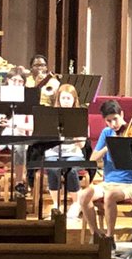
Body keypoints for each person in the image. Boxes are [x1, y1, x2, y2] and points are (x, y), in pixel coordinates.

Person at [76, 100, 132, 239]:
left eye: (115, 119)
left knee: (110, 196)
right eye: (109, 121)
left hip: (130, 185)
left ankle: (109, 237)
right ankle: (95, 234)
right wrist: (109, 146)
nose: (113, 124)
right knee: (83, 195)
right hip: (108, 183)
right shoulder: (107, 133)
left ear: (122, 114)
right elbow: (93, 158)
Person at [45, 84, 86, 218]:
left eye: (69, 98)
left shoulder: (80, 117)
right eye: (63, 98)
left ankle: (76, 203)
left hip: (73, 153)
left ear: (74, 100)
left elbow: (81, 145)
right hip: (54, 153)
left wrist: (74, 131)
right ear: (59, 99)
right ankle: (56, 203)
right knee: (52, 168)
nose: (66, 101)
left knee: (71, 169)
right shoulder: (51, 116)